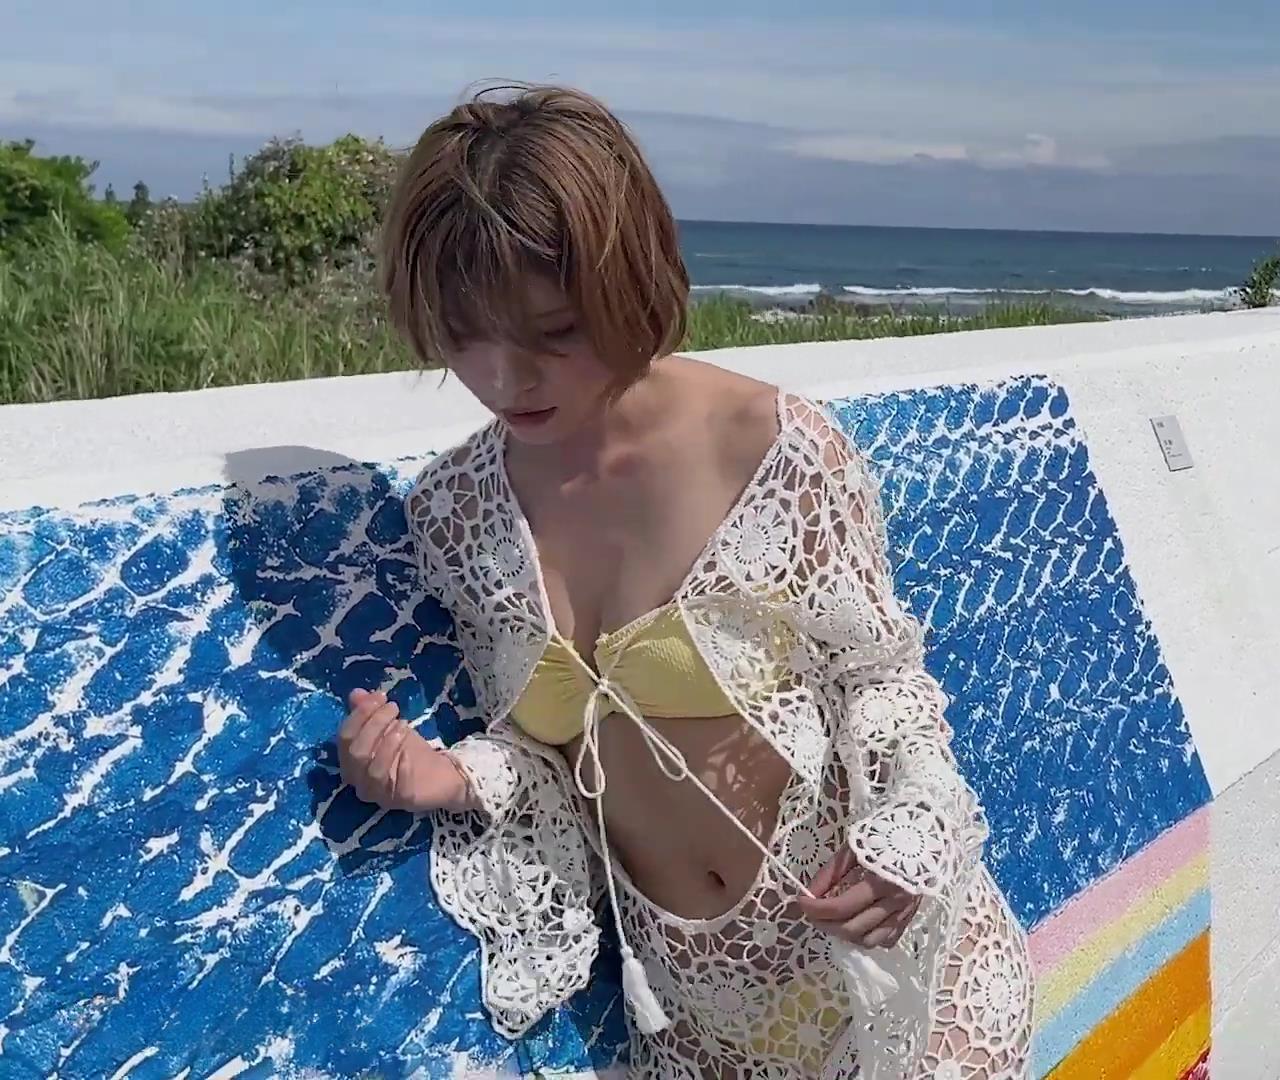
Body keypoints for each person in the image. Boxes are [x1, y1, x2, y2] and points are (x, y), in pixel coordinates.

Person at [333, 83, 1034, 1079]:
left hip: (891, 982)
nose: (505, 378)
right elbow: (555, 750)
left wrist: (913, 832)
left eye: (555, 331)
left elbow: (880, 678)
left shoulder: (769, 449)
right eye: (463, 333)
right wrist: (445, 777)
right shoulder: (456, 512)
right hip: (700, 1020)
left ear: (630, 281)